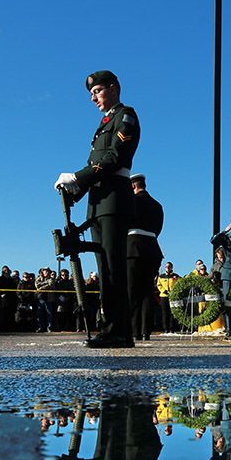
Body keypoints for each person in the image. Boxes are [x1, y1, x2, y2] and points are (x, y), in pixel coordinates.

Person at [55, 70, 141, 348]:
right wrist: (75, 190)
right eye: (91, 94)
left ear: (113, 88)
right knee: (104, 268)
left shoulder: (125, 115)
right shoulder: (105, 123)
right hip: (99, 201)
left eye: (98, 91)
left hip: (114, 200)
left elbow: (115, 157)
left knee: (114, 266)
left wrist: (78, 177)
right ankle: (109, 327)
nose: (93, 97)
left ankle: (119, 331)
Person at [127, 173, 164, 341]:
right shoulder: (157, 205)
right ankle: (145, 331)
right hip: (152, 249)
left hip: (133, 248)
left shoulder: (130, 202)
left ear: (133, 186)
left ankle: (134, 331)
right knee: (147, 291)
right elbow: (158, 229)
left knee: (132, 291)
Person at [156, 261, 180, 333]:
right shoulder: (161, 276)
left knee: (173, 313)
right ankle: (165, 328)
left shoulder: (175, 276)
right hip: (164, 296)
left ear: (172, 267)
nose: (168, 268)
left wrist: (174, 291)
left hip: (173, 296)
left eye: (169, 266)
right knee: (165, 313)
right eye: (166, 267)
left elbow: (179, 284)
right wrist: (164, 290)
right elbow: (158, 285)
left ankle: (172, 328)